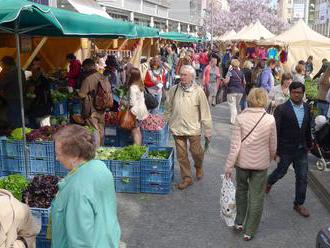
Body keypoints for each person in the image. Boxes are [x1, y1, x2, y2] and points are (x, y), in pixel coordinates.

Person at [52, 125, 121, 248]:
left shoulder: (76, 190)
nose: (57, 158)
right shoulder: (100, 167)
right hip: (107, 241)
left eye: (58, 154)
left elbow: (80, 239)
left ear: (75, 156)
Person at [224, 88, 277, 241]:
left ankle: (239, 222)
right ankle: (250, 231)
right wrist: (271, 157)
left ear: (249, 99)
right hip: (260, 165)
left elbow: (235, 146)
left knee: (241, 191)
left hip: (242, 163)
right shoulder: (270, 119)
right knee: (257, 197)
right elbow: (273, 145)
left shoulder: (240, 118)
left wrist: (228, 166)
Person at [267, 82, 313, 218]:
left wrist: (309, 145)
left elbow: (307, 128)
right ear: (290, 93)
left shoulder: (306, 108)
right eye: (294, 92)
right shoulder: (281, 109)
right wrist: (274, 150)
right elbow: (275, 131)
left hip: (301, 149)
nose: (297, 95)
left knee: (302, 177)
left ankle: (298, 203)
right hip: (285, 149)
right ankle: (269, 182)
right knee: (281, 172)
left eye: (300, 92)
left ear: (303, 94)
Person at [164, 65, 212, 190]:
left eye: (185, 75)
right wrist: (165, 121)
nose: (182, 77)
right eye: (181, 74)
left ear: (192, 77)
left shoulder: (198, 91)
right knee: (182, 155)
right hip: (177, 127)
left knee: (196, 152)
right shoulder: (174, 90)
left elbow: (205, 111)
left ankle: (198, 165)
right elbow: (168, 108)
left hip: (193, 128)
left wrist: (207, 129)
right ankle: (187, 178)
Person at [78, 59, 112, 145]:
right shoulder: (103, 77)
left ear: (86, 67)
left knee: (94, 130)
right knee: (101, 129)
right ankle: (101, 148)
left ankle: (96, 151)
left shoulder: (88, 79)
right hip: (103, 108)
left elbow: (82, 94)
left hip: (91, 109)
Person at [25, 57, 52, 128]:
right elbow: (29, 93)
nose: (34, 72)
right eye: (33, 70)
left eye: (38, 65)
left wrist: (34, 89)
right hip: (34, 106)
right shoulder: (30, 81)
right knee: (32, 120)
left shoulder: (44, 81)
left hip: (42, 106)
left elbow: (45, 93)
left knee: (41, 124)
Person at [0, 56, 25, 129]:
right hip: (19, 99)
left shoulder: (11, 73)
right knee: (17, 118)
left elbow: (2, 84)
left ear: (7, 64)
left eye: (2, 65)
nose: (2, 66)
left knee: (14, 120)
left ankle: (15, 135)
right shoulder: (20, 71)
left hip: (13, 99)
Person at [127, 68, 149, 145]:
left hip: (135, 112)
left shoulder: (132, 87)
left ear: (132, 76)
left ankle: (136, 147)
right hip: (142, 110)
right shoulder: (140, 84)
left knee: (135, 130)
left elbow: (132, 103)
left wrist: (123, 103)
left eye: (129, 74)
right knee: (138, 130)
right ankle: (139, 146)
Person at [224, 59, 246, 124]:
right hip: (240, 91)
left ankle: (233, 120)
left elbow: (226, 81)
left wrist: (223, 80)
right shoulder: (241, 73)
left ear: (232, 65)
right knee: (236, 105)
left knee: (232, 106)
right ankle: (238, 119)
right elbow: (244, 82)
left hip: (232, 91)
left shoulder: (229, 72)